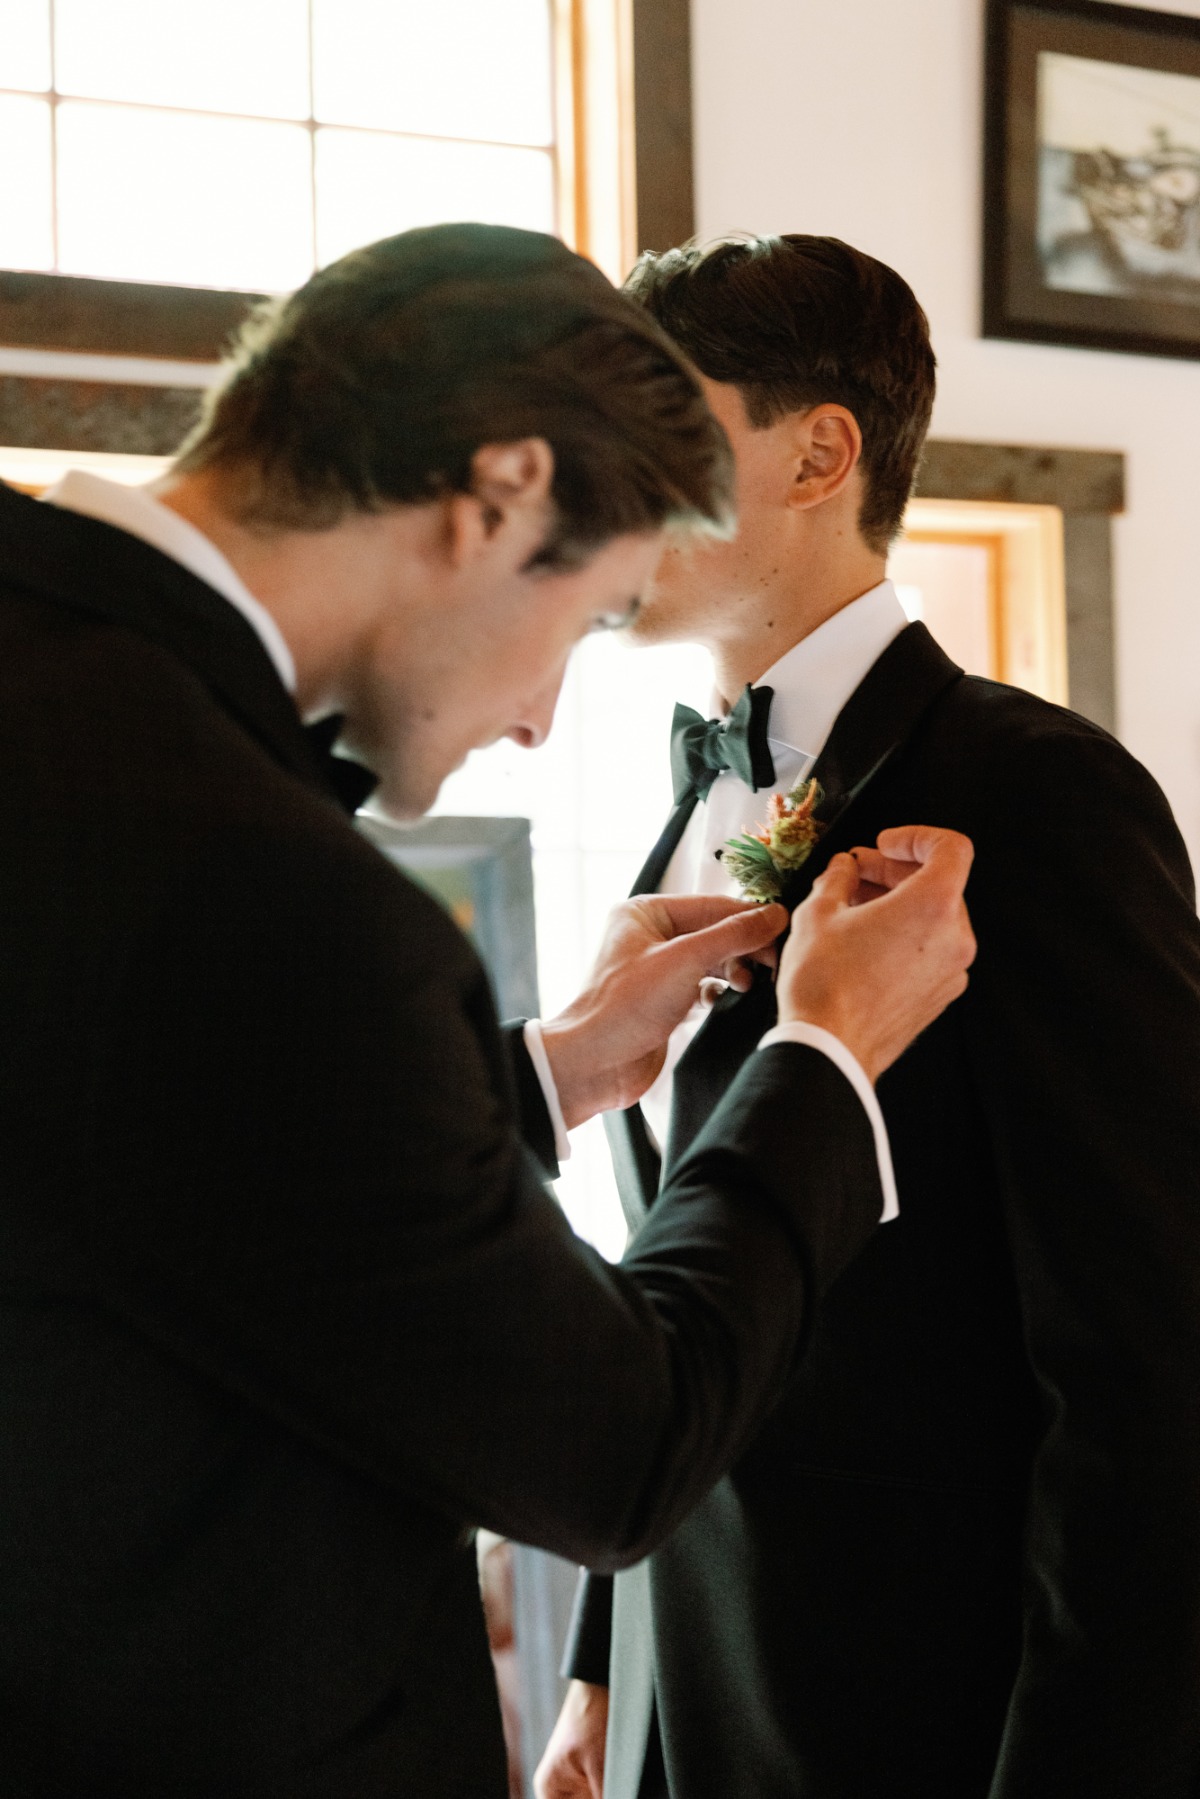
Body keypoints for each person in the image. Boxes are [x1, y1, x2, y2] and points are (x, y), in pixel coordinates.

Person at [0, 223, 976, 1797]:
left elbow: (159, 1155)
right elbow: (610, 1448)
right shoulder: (256, 883)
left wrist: (543, 1079)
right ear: (501, 493)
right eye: (584, 619)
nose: (535, 722)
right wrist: (822, 1057)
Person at [538, 234, 1200, 1799]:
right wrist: (600, 1666)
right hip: (683, 1679)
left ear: (819, 452)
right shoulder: (683, 811)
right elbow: (671, 1277)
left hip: (914, 1710)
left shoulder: (1037, 797)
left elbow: (1152, 1366)